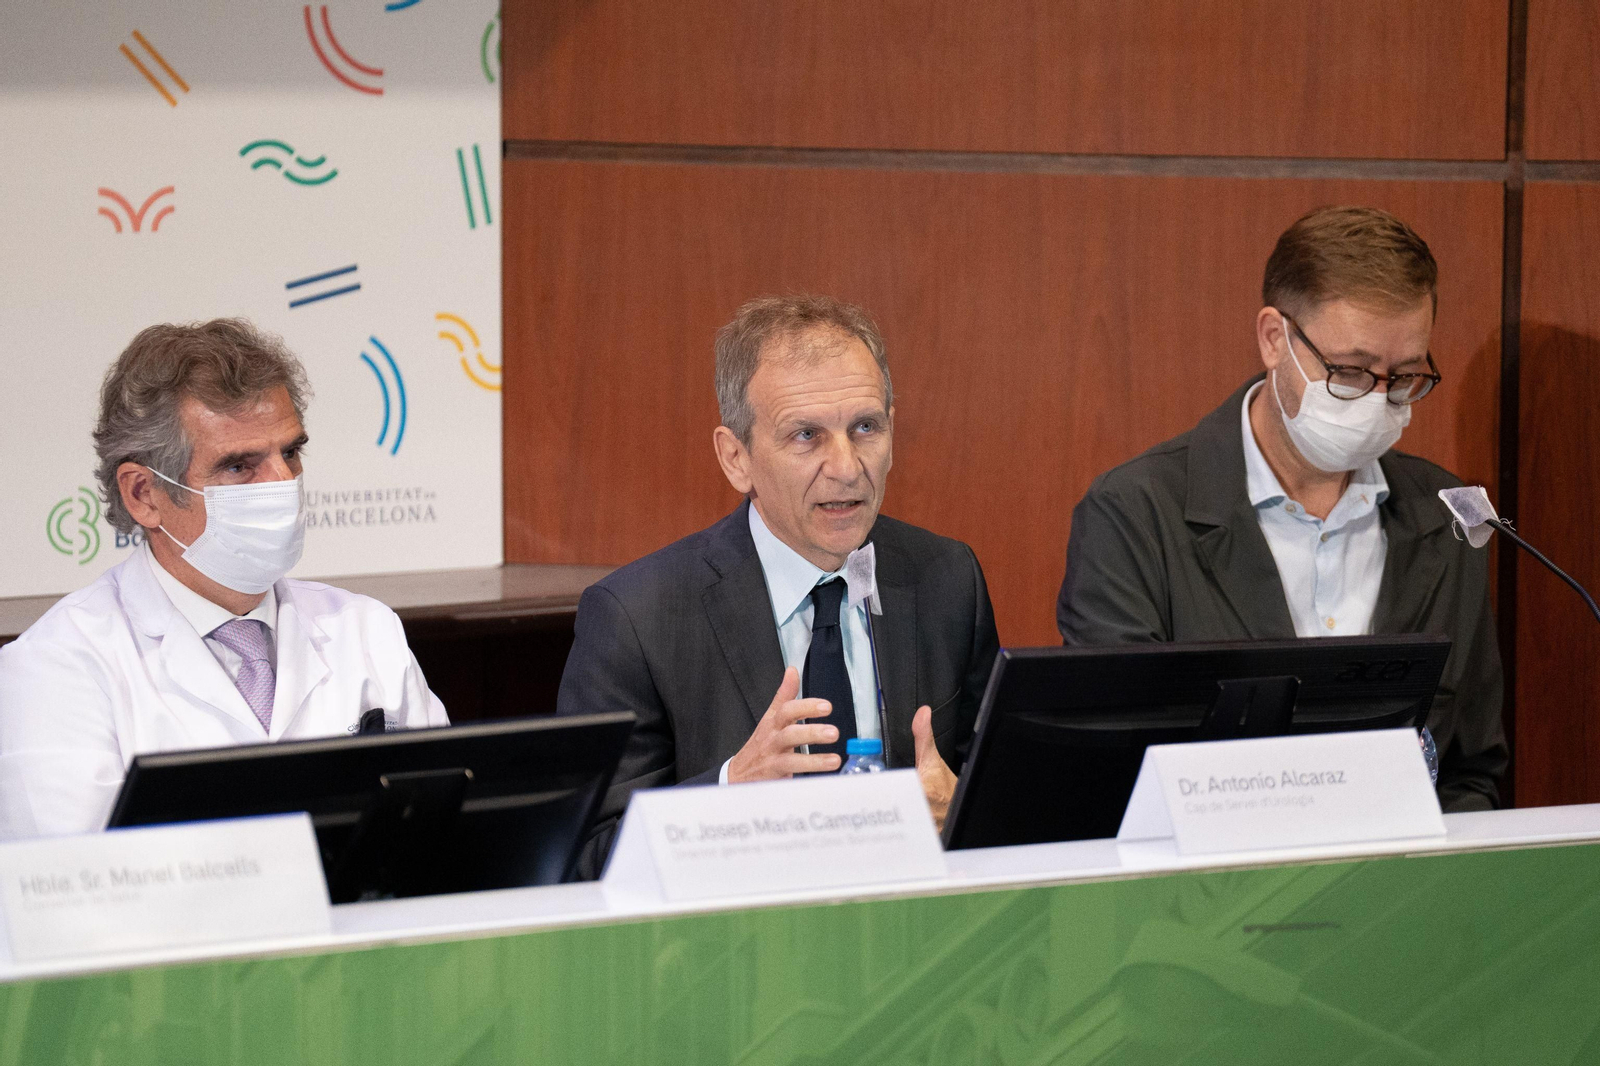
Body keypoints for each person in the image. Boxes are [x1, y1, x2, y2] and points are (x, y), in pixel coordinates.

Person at [1058, 205, 1506, 811]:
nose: (1379, 402)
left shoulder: (1449, 519)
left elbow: (1472, 773)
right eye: (1351, 372)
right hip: (1203, 896)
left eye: (1404, 378)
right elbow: (1110, 779)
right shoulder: (1135, 515)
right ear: (1275, 339)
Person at [557, 294, 1000, 876]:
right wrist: (731, 793)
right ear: (736, 457)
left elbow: (1011, 805)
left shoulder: (945, 579)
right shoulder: (637, 619)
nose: (846, 467)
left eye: (866, 427)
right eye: (806, 436)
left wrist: (962, 809)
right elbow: (582, 859)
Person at [0, 319, 447, 839]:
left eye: (291, 452)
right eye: (240, 466)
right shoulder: (55, 670)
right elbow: (77, 892)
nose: (283, 483)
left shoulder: (368, 631)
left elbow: (442, 834)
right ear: (143, 494)